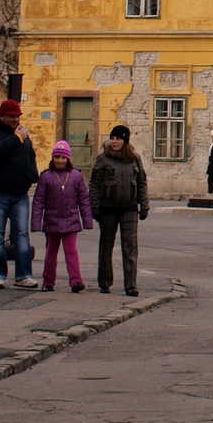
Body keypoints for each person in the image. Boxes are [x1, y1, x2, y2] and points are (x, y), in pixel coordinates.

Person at [0, 99, 40, 290]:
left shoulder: (23, 136)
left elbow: (31, 156)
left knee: (22, 234)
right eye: (12, 116)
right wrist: (16, 138)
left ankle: (23, 275)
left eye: (17, 116)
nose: (15, 120)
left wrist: (32, 174)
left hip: (20, 194)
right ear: (2, 116)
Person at [91, 125, 148, 296]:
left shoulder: (134, 159)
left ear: (125, 141)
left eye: (118, 139)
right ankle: (105, 282)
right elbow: (94, 184)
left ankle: (131, 285)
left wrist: (144, 205)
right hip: (108, 207)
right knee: (106, 245)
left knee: (130, 245)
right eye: (113, 139)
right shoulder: (103, 159)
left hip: (129, 207)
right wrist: (94, 206)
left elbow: (142, 182)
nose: (114, 142)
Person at [31, 140, 93, 293]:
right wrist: (36, 223)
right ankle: (48, 281)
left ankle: (76, 281)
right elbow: (38, 201)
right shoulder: (46, 177)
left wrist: (87, 220)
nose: (60, 160)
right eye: (57, 157)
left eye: (63, 157)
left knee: (71, 251)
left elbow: (83, 199)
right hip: (52, 221)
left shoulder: (76, 176)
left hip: (71, 220)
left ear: (68, 159)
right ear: (52, 159)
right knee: (51, 252)